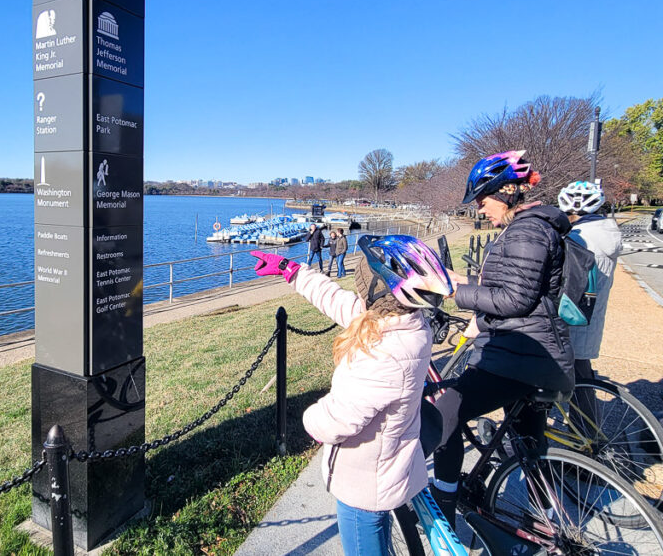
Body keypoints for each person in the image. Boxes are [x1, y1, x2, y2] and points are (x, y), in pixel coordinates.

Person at [251, 234, 454, 555]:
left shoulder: (386, 354)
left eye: (362, 284)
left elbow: (338, 420)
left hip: (365, 483)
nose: (357, 291)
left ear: (378, 293)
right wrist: (292, 271)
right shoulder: (403, 323)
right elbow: (339, 301)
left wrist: (309, 417)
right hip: (384, 467)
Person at [431, 150, 575, 523]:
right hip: (535, 355)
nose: (479, 208)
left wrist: (451, 293)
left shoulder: (527, 229)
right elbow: (511, 285)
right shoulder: (531, 227)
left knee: (446, 410)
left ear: (509, 191)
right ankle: (551, 522)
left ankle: (443, 507)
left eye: (483, 198)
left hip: (519, 356)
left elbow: (513, 299)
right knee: (529, 444)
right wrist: (455, 280)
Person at [558, 180, 622, 410]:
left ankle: (586, 439)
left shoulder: (580, 238)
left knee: (577, 379)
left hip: (575, 315)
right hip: (589, 315)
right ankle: (586, 436)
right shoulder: (603, 232)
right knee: (581, 376)